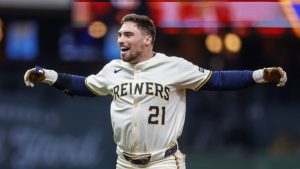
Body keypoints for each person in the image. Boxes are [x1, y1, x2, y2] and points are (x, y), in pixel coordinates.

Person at [24, 13, 287, 169]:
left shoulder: (173, 67)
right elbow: (85, 86)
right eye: (119, 35)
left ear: (147, 39)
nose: (120, 40)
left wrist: (260, 75)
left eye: (128, 34)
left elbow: (217, 80)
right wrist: (49, 76)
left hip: (162, 162)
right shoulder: (113, 69)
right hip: (125, 163)